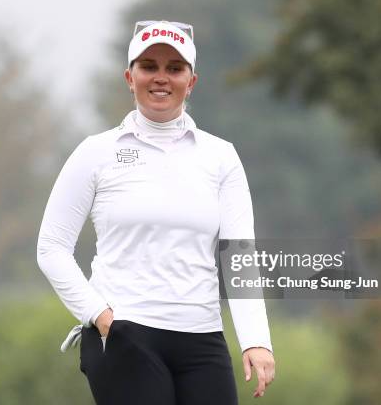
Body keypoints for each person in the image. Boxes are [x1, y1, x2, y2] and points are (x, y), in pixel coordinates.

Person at [37, 20, 275, 405]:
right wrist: (101, 316)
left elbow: (240, 256)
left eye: (174, 68)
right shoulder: (96, 152)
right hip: (125, 334)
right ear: (129, 78)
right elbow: (51, 247)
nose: (161, 78)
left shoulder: (220, 156)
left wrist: (256, 341)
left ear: (191, 81)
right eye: (149, 66)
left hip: (202, 337)